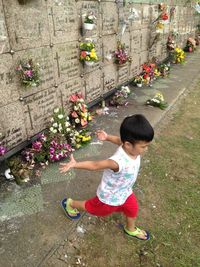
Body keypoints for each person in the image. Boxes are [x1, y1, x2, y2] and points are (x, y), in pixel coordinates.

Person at [59, 114, 154, 241]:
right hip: (110, 196)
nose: (146, 149)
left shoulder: (131, 148)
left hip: (125, 191)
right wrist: (75, 164)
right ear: (128, 145)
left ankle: (130, 229)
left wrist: (107, 137)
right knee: (96, 210)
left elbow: (118, 140)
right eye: (143, 146)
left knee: (132, 208)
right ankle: (70, 204)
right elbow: (95, 165)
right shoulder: (117, 162)